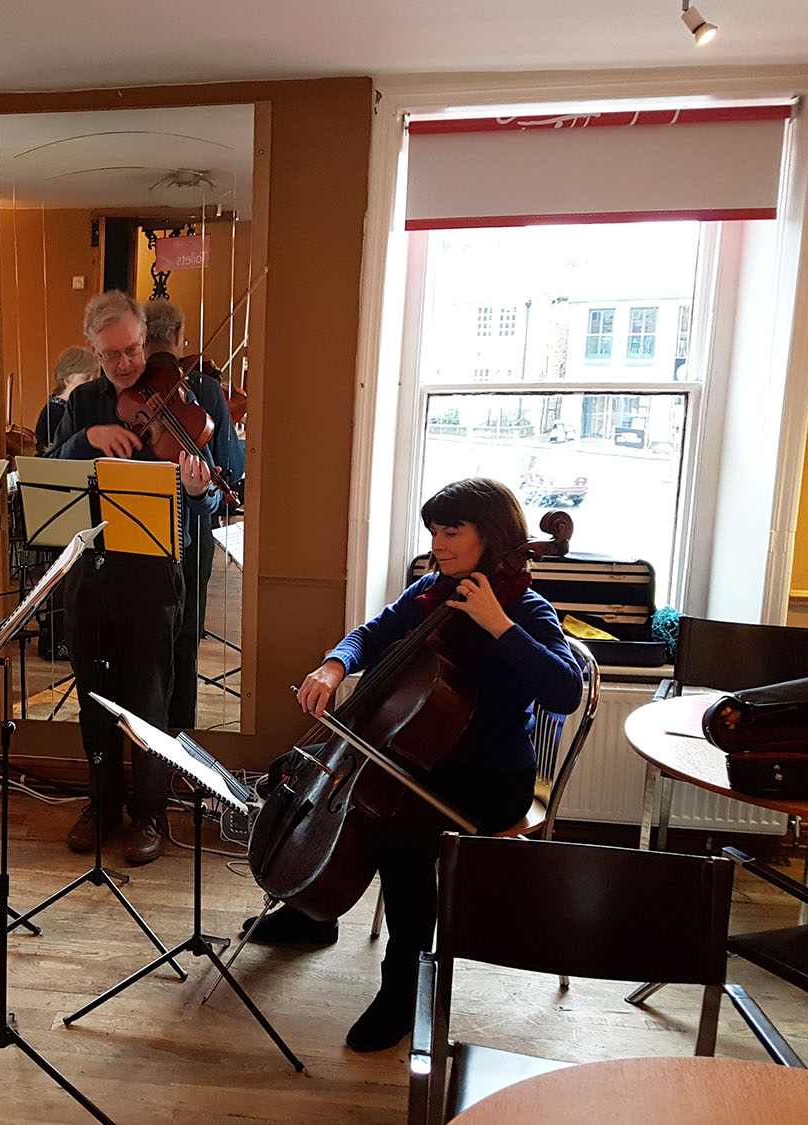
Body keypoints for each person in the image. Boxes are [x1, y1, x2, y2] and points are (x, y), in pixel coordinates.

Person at [242, 478, 582, 1053]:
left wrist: (498, 624)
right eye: (433, 532)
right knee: (301, 775)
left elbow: (565, 692)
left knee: (403, 837)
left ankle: (402, 987)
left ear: (492, 537)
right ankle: (312, 912)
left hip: (490, 775)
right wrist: (333, 665)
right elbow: (372, 634)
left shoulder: (527, 608)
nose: (438, 544)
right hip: (418, 759)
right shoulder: (432, 591)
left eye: (452, 531)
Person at [48, 291, 227, 864]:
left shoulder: (196, 396)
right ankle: (103, 804)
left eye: (132, 349)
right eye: (111, 355)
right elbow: (50, 470)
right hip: (91, 568)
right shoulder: (84, 402)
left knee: (151, 695)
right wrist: (87, 440)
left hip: (154, 569)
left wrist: (197, 492)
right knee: (93, 695)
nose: (125, 364)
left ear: (146, 338)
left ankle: (150, 812)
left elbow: (216, 498)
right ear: (93, 350)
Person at [142, 300, 245, 729]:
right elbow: (232, 465)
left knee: (142, 640)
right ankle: (179, 731)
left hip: (136, 527)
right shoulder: (203, 388)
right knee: (185, 636)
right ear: (179, 338)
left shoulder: (129, 391)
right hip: (193, 527)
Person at [34, 346, 99, 454]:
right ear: (67, 380)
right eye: (86, 378)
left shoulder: (86, 407)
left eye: (95, 378)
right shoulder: (53, 411)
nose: (92, 383)